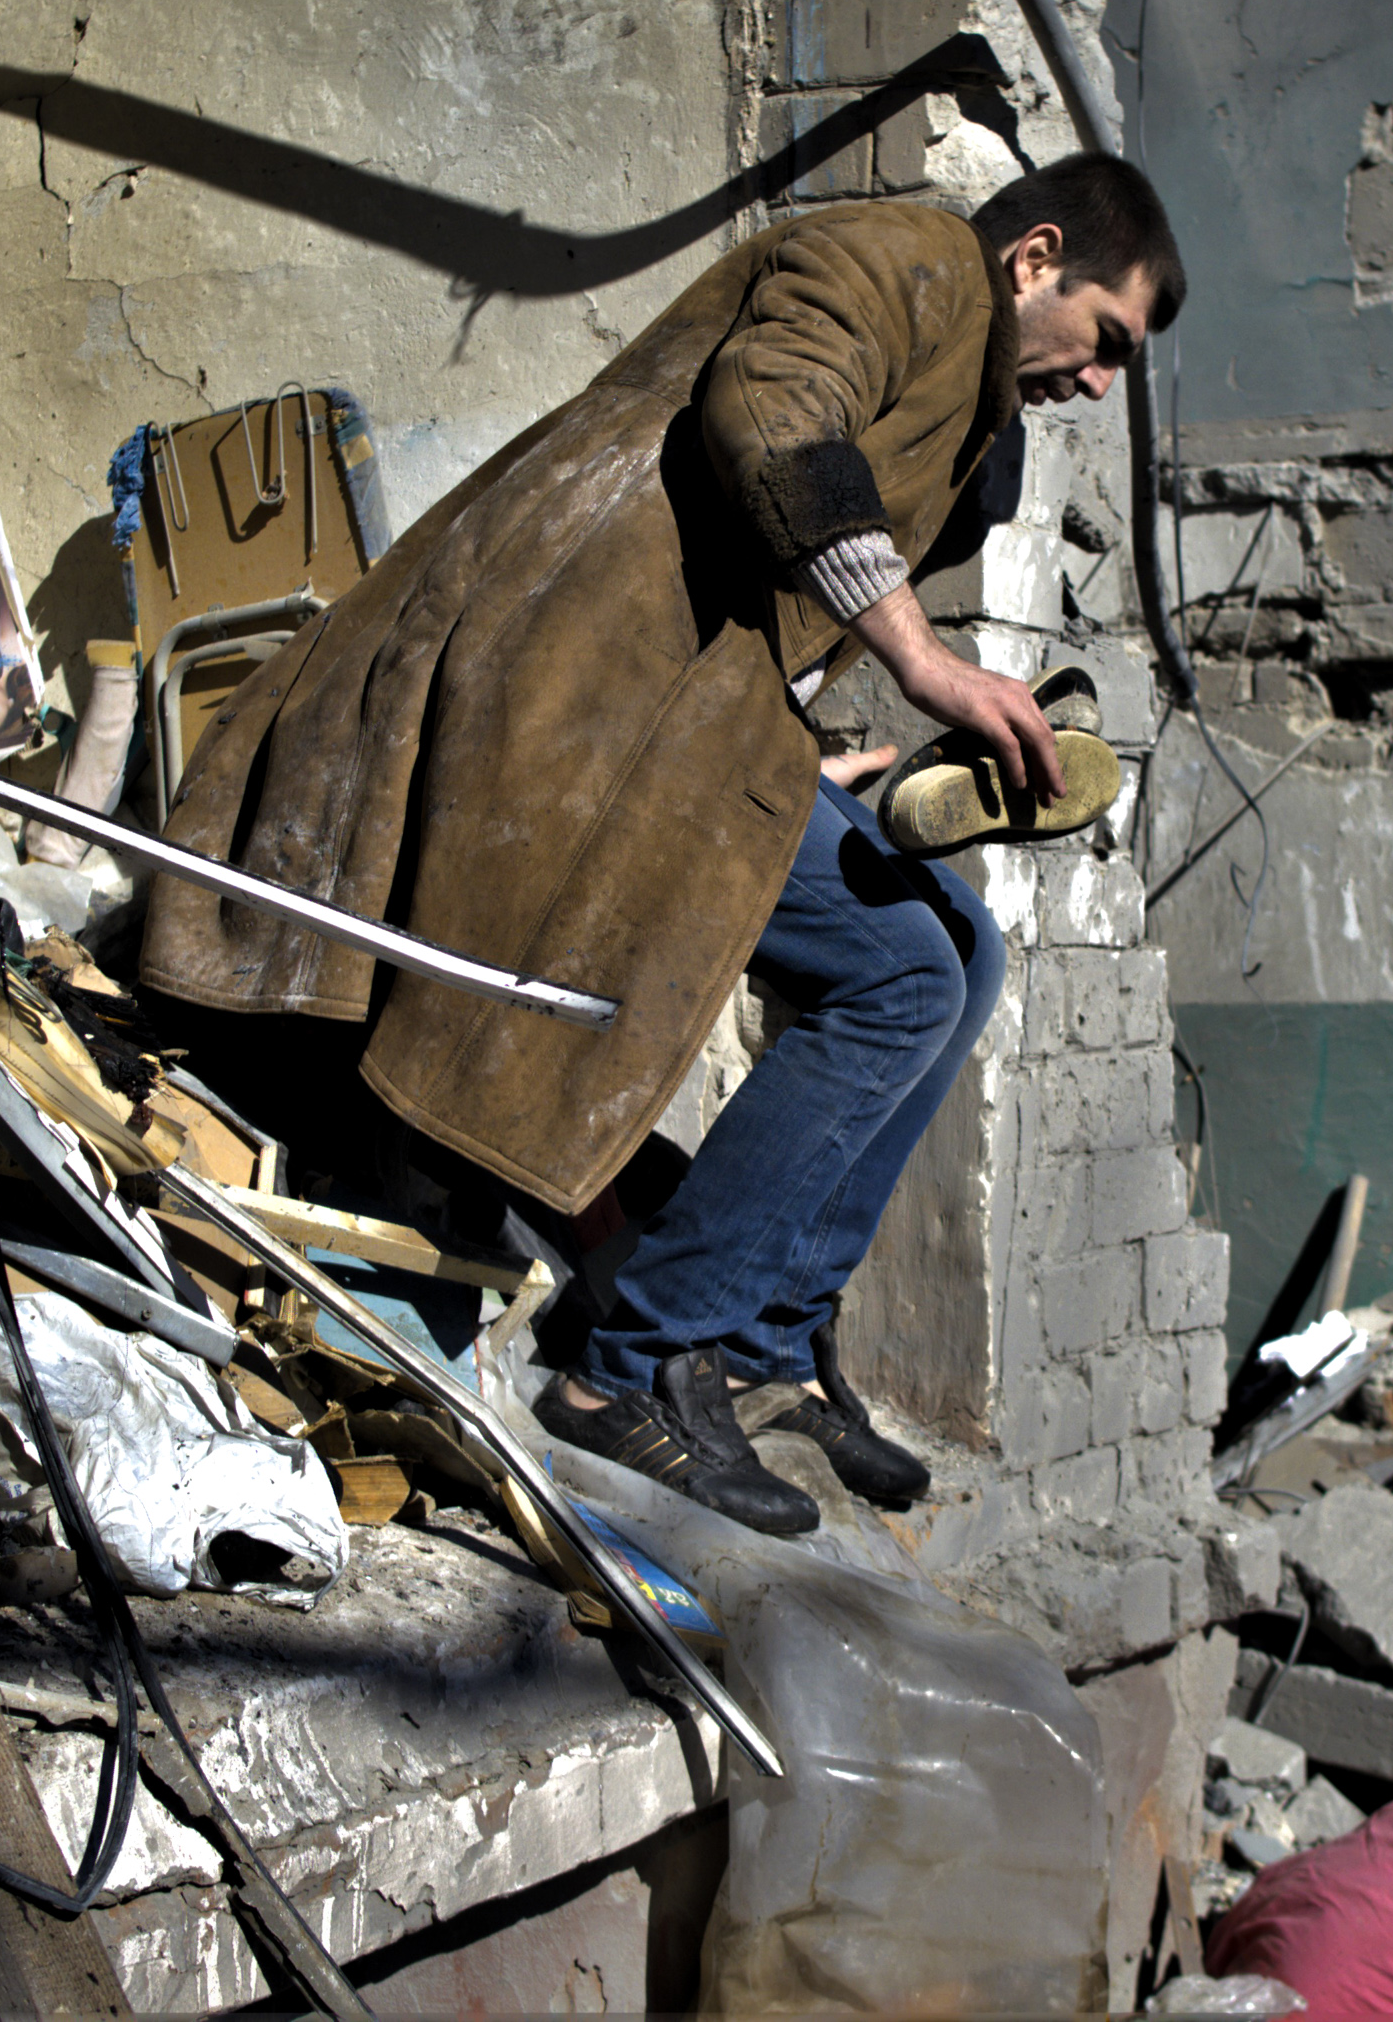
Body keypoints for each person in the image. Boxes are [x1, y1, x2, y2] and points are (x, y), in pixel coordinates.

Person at [141, 157, 1184, 1534]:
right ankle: (628, 1368)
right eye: (1107, 340)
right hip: (584, 700)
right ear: (1036, 258)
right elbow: (773, 411)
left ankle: (761, 1346)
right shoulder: (915, 257)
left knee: (963, 952)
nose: (1099, 385)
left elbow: (756, 584)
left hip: (697, 718)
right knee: (900, 978)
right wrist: (926, 665)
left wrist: (806, 747)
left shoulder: (966, 376)